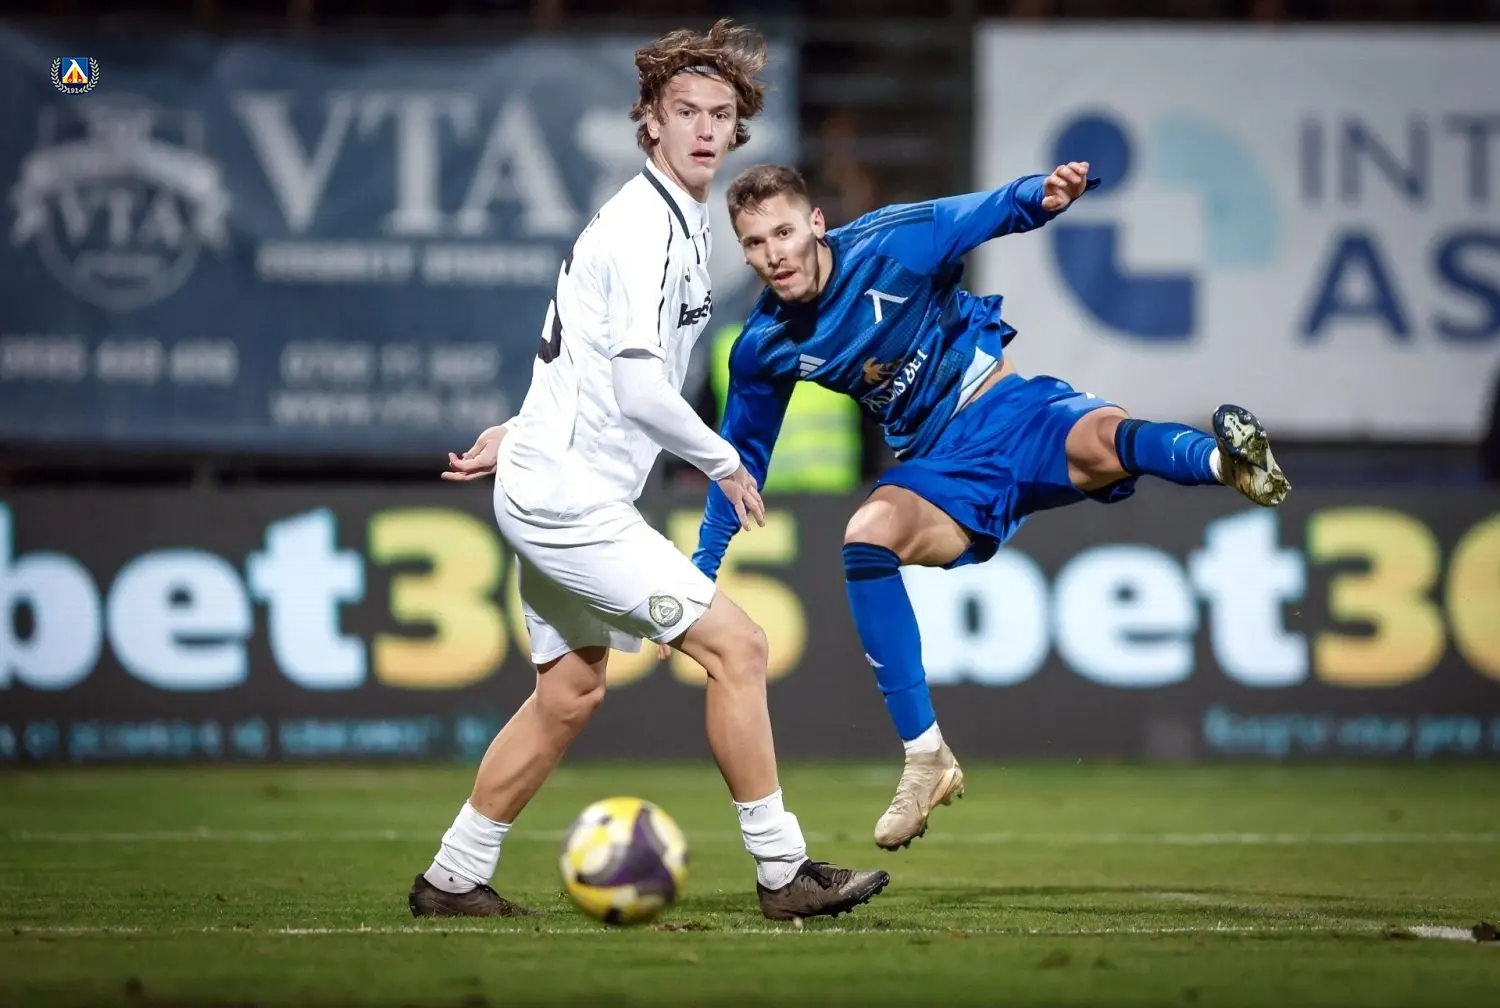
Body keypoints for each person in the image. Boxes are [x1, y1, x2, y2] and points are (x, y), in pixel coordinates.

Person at [407, 21, 889, 925]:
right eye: (685, 111)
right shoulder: (645, 228)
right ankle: (783, 872)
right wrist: (724, 460)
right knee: (740, 648)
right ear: (651, 122)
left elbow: (580, 353)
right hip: (569, 500)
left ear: (738, 127)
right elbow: (637, 388)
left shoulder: (677, 220)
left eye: (720, 113)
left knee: (569, 692)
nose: (704, 128)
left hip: (552, 477)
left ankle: (452, 877)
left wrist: (520, 427)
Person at [691, 162, 1292, 851]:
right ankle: (926, 758)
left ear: (816, 224)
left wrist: (1045, 193)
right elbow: (737, 461)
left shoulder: (892, 242)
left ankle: (1226, 464)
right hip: (944, 470)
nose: (773, 254)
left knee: (1105, 437)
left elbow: (987, 211)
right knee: (866, 536)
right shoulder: (764, 345)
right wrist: (700, 569)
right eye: (755, 243)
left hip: (1011, 408)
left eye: (784, 232)